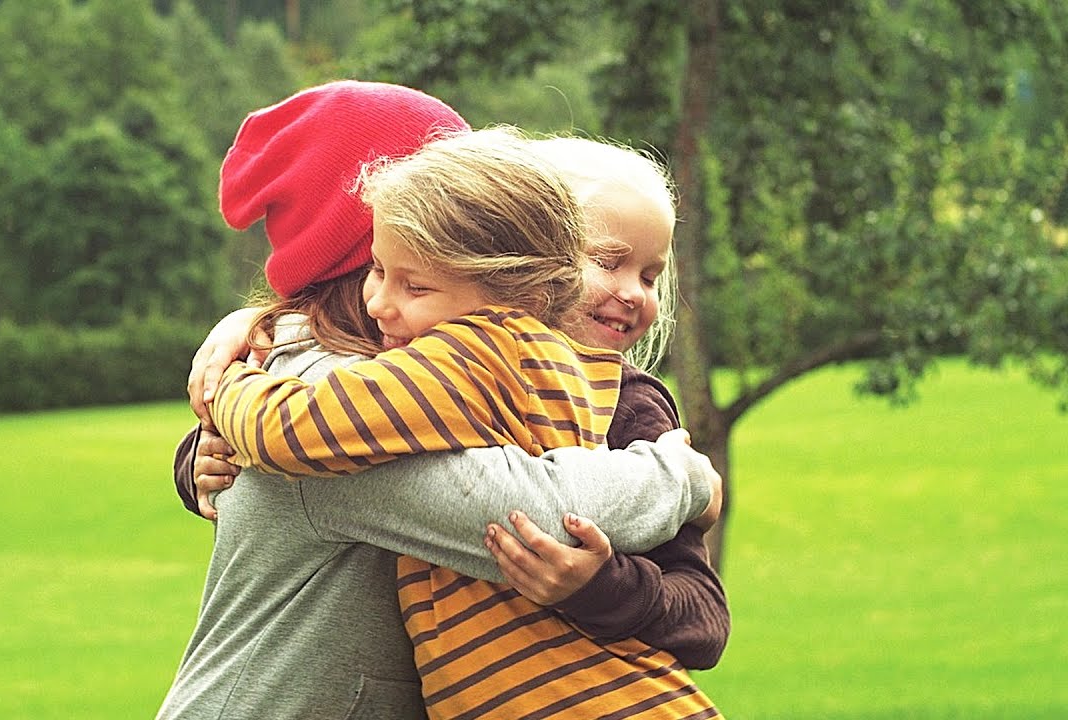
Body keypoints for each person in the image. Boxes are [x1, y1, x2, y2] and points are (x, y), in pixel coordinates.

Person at [156, 81, 720, 720]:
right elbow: (532, 511)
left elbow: (699, 609)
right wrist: (684, 477)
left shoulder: (437, 369)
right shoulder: (334, 389)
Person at [482, 135, 729, 671]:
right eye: (608, 262)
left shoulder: (629, 404)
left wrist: (598, 586)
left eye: (649, 276)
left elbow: (705, 618)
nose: (635, 293)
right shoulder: (456, 372)